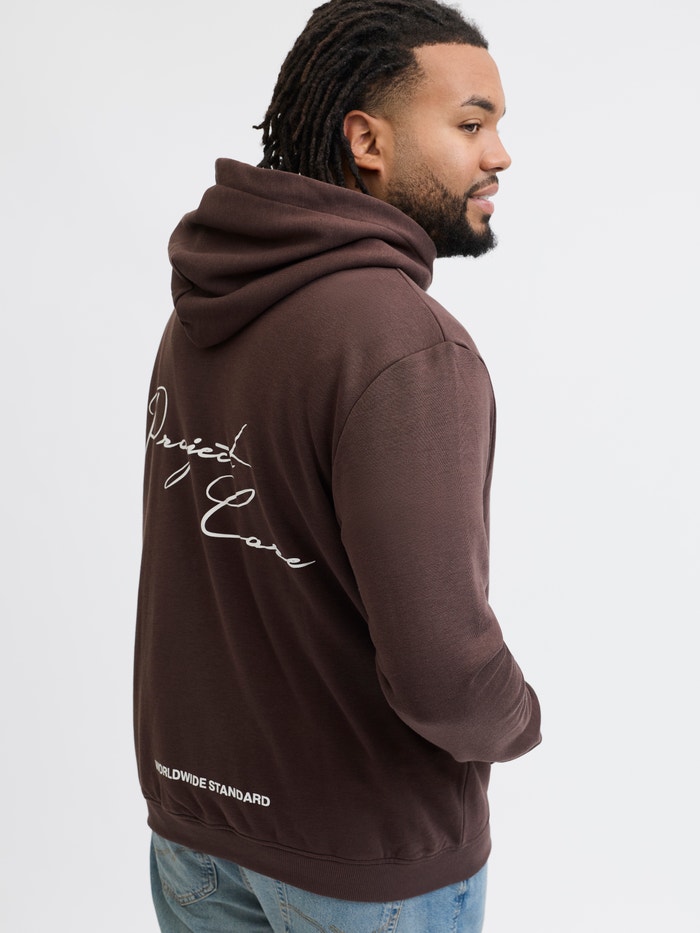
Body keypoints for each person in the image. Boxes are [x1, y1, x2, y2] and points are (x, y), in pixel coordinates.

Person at [134, 1, 542, 930]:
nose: (500, 155)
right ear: (367, 140)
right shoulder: (404, 345)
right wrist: (517, 717)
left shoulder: (203, 308)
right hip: (365, 862)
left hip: (196, 828)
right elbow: (444, 672)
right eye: (471, 124)